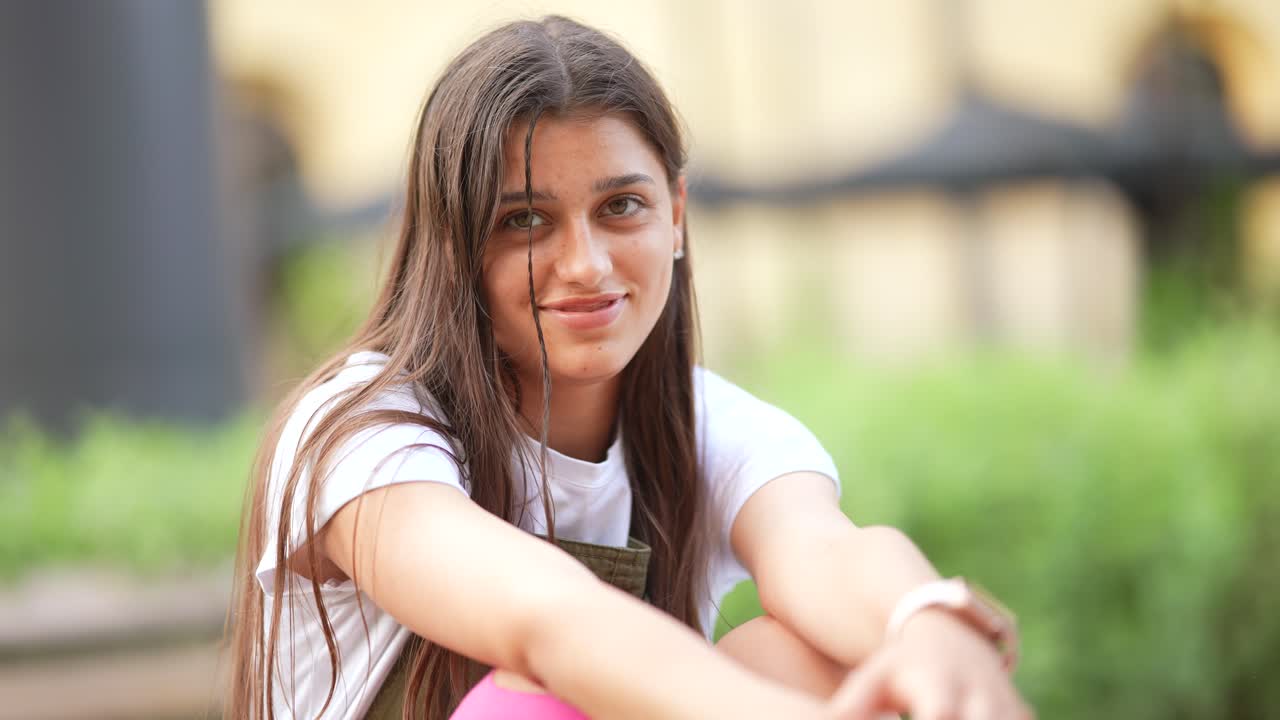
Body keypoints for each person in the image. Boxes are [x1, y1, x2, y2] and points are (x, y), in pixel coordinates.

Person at [223, 15, 1032, 720]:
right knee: (539, 695)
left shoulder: (703, 425)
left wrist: (925, 623)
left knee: (823, 653)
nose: (586, 264)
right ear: (454, 246)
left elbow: (823, 550)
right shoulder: (363, 433)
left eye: (621, 207)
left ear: (676, 216)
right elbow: (548, 620)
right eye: (525, 220)